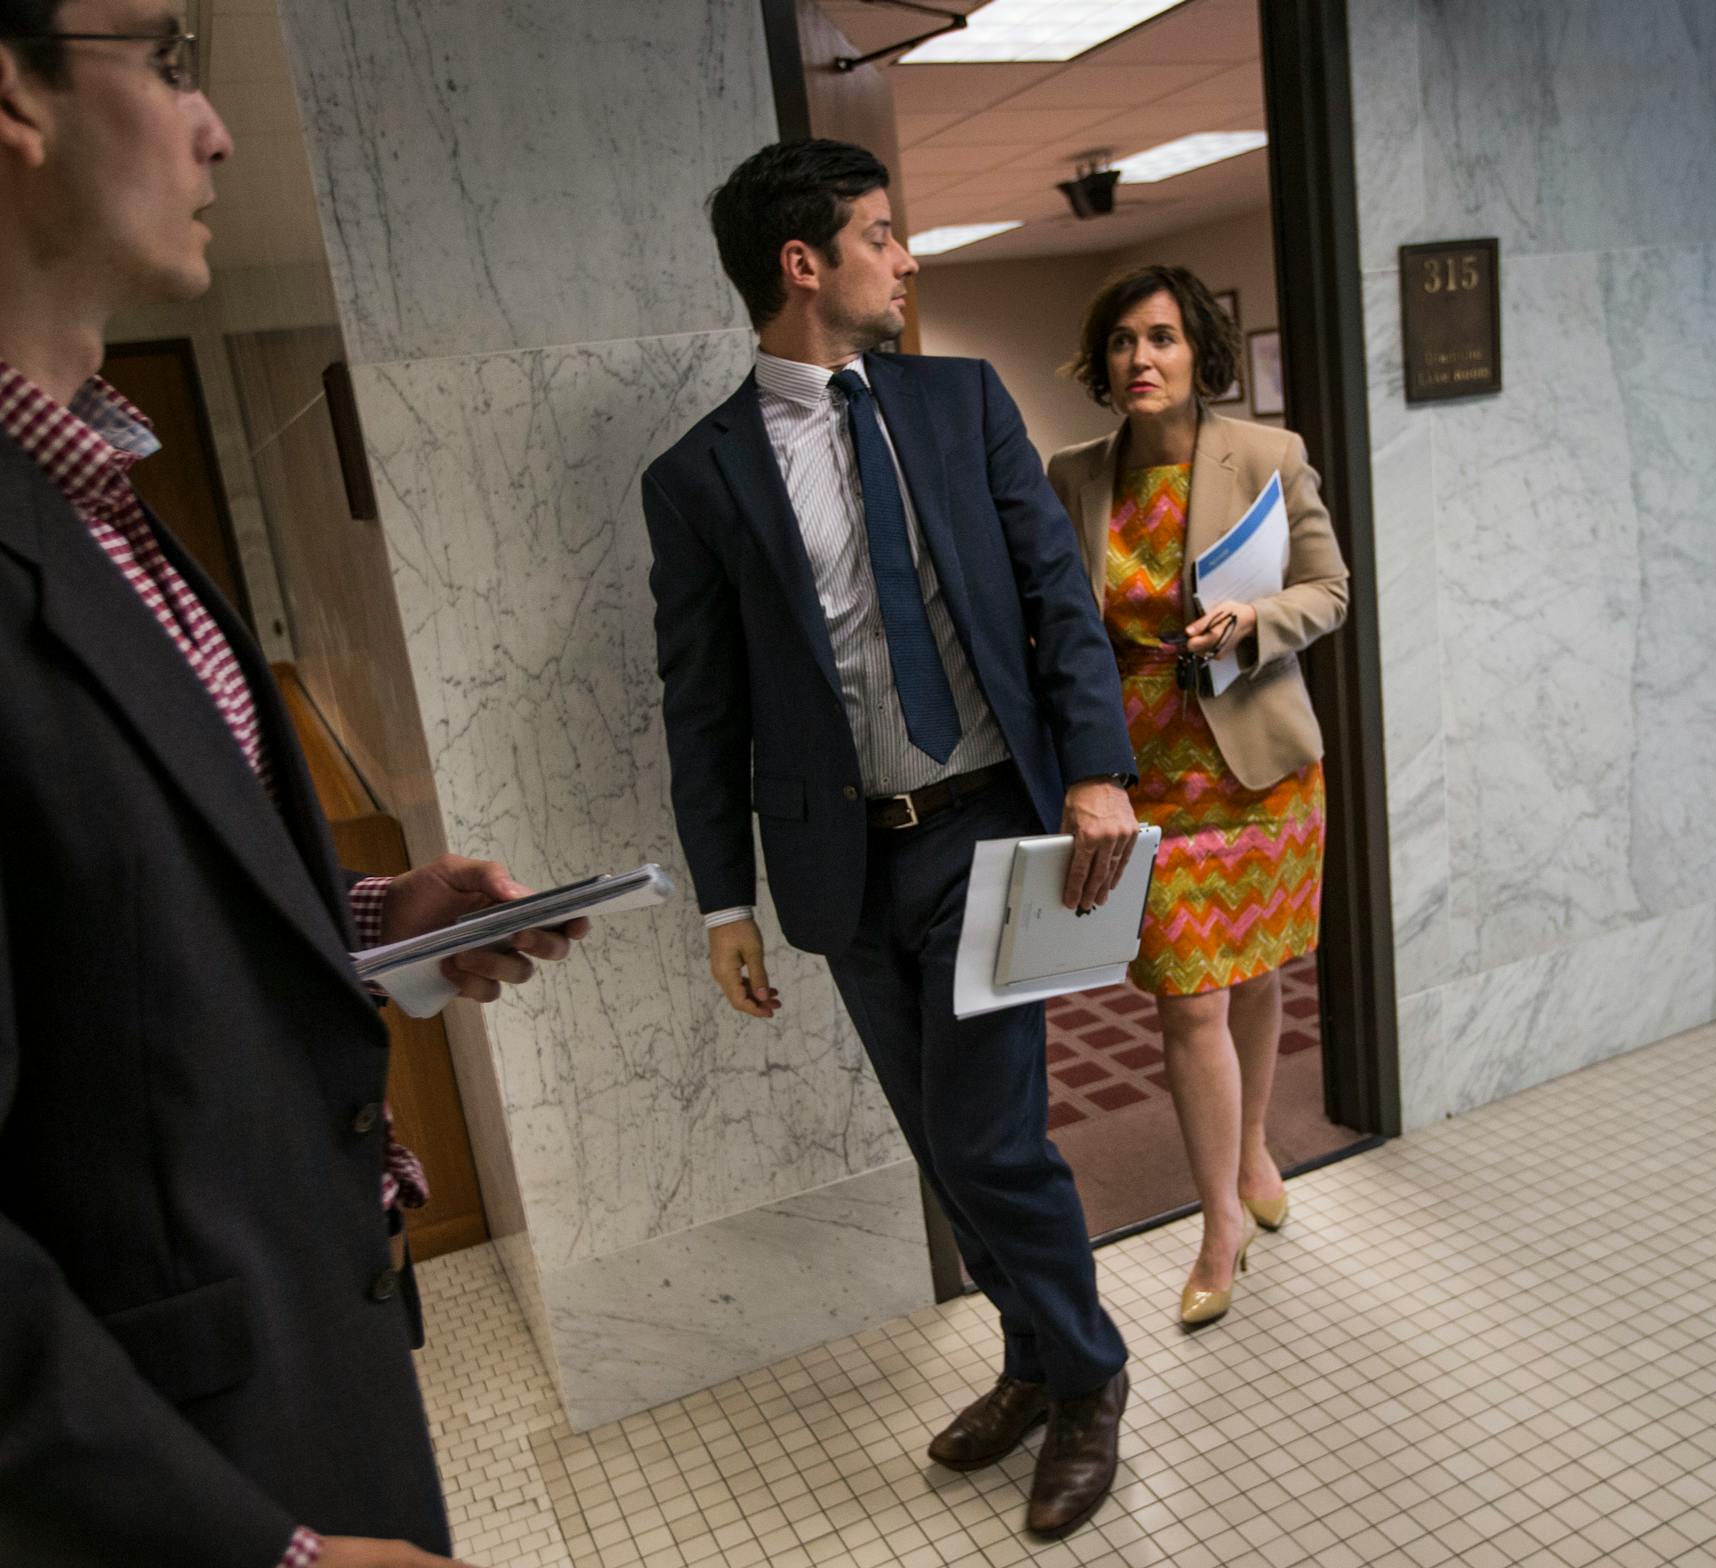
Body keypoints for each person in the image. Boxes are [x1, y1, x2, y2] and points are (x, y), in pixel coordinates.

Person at [0, 4, 589, 1564]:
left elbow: (115, 927)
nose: (219, 132)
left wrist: (384, 914)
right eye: (172, 63)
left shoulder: (105, 499)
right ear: (15, 90)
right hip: (167, 1476)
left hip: (304, 1357)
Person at [642, 138, 1142, 1540]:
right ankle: (1035, 1361)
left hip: (992, 826)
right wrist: (720, 902)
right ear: (804, 265)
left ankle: (1090, 1376)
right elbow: (704, 706)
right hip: (844, 858)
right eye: (881, 232)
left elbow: (1057, 592)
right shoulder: (698, 478)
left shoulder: (958, 402)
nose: (906, 255)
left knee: (987, 1139)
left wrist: (1098, 766)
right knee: (943, 1142)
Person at [1047, 266, 1348, 1327]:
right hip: (1143, 776)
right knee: (1191, 992)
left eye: (1163, 337)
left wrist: (1255, 621)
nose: (1143, 358)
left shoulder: (1268, 456)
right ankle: (1219, 1216)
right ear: (1103, 361)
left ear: (1198, 351)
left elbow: (1329, 587)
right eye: (1123, 340)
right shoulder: (1072, 474)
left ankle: (1254, 1145)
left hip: (1256, 765)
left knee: (1251, 969)